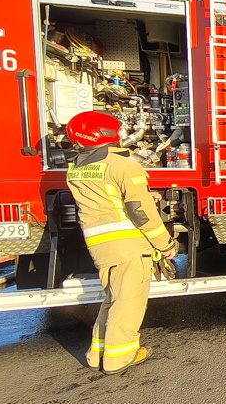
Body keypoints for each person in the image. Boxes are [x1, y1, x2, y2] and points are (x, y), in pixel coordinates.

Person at [65, 111, 178, 375]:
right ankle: (119, 357)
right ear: (107, 133)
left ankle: (98, 354)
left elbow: (107, 198)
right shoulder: (124, 165)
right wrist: (165, 244)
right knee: (129, 302)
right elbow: (140, 212)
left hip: (101, 246)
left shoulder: (78, 167)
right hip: (129, 245)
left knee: (113, 299)